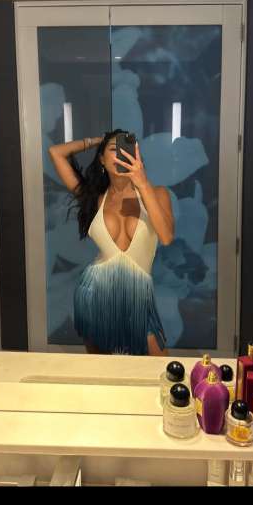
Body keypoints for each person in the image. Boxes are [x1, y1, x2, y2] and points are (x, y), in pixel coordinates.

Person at [48, 130, 174, 355]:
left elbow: (166, 237)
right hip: (94, 292)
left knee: (160, 365)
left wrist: (142, 183)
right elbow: (55, 152)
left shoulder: (157, 193)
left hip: (138, 295)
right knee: (102, 369)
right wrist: (96, 140)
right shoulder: (94, 197)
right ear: (102, 160)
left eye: (126, 150)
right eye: (114, 150)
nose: (120, 155)